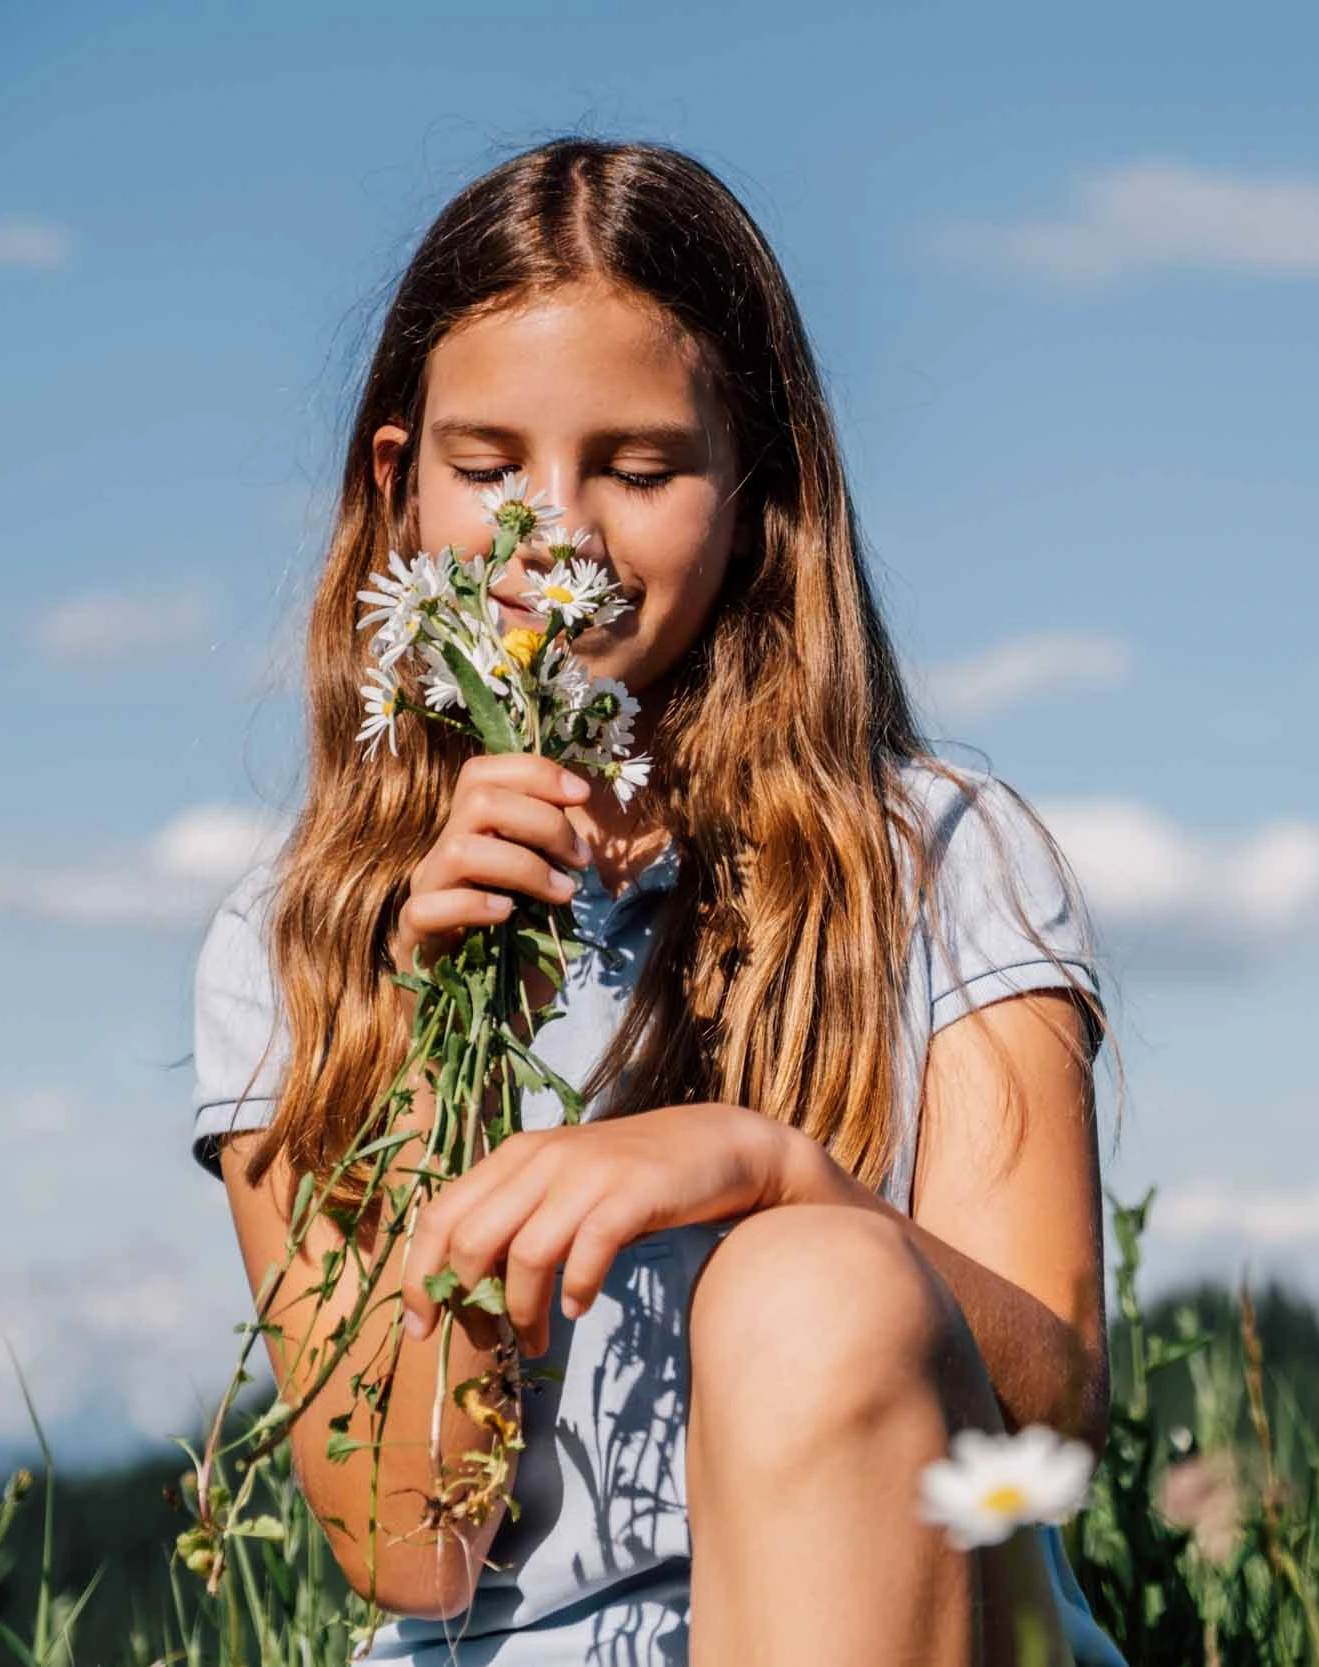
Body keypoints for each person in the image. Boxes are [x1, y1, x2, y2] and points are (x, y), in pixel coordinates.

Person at [185, 136, 1129, 1667]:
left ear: (753, 494)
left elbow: (1053, 1408)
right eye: (490, 469)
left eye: (638, 471)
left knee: (815, 1282)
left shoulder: (937, 855)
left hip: (914, 1626)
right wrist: (438, 1047)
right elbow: (408, 1546)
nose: (558, 537)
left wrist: (779, 1175)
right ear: (399, 484)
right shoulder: (293, 938)